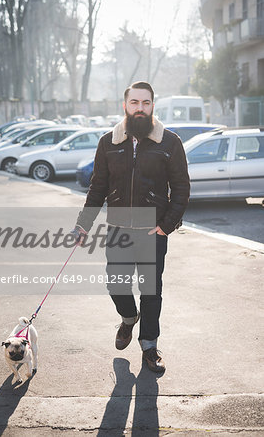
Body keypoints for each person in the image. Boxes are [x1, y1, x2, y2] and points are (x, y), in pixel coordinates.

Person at [72, 81, 190, 373]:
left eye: (146, 103)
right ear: (125, 105)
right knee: (116, 284)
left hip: (154, 231)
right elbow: (97, 187)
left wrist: (166, 225)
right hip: (119, 229)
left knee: (151, 291)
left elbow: (181, 188)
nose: (140, 108)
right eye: (135, 102)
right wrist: (82, 225)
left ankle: (149, 345)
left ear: (153, 106)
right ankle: (128, 318)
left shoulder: (169, 142)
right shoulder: (108, 142)